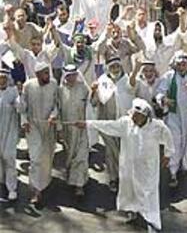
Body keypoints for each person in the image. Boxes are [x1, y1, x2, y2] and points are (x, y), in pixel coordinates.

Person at [76, 98, 174, 232]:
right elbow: (108, 125)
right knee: (130, 190)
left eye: (137, 116)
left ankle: (152, 222)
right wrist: (88, 123)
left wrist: (168, 154)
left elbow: (168, 137)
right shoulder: (126, 123)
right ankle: (133, 212)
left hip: (147, 168)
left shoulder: (157, 126)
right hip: (128, 165)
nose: (133, 118)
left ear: (144, 116)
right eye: (133, 115)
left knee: (148, 193)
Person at [90, 57, 140, 192]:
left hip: (124, 123)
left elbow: (132, 86)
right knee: (111, 151)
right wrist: (94, 90)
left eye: (117, 67)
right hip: (107, 121)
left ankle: (125, 177)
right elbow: (94, 103)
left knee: (125, 150)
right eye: (112, 67)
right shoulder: (102, 81)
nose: (115, 70)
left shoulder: (126, 79)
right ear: (108, 68)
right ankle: (113, 178)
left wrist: (136, 69)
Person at [156, 51, 187, 188]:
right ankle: (173, 171)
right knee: (175, 141)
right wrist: (164, 99)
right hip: (173, 115)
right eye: (180, 63)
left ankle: (184, 163)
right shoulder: (168, 76)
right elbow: (160, 92)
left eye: (184, 63)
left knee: (186, 140)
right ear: (175, 64)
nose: (182, 65)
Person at [21, 61, 59, 204]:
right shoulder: (28, 85)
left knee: (47, 157)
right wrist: (24, 121)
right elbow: (23, 107)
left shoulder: (54, 84)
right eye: (44, 73)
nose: (47, 75)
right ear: (37, 75)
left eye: (48, 72)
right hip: (33, 126)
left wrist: (54, 115)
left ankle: (45, 182)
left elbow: (57, 104)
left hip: (49, 126)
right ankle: (36, 191)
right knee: (35, 158)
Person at [57, 64, 90, 196]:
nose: (72, 78)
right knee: (70, 154)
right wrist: (59, 128)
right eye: (69, 76)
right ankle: (72, 176)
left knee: (81, 155)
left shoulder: (83, 88)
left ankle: (79, 185)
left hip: (82, 127)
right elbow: (57, 109)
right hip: (67, 129)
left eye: (74, 75)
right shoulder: (60, 90)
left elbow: (91, 105)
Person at [0, 68, 21, 201]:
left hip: (10, 131)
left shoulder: (13, 92)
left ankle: (12, 188)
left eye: (3, 78)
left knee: (9, 158)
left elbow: (21, 108)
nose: (1, 80)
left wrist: (20, 95)